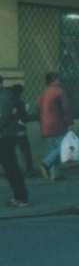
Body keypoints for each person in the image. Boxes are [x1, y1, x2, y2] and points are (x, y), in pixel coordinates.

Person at [37, 71, 74, 181]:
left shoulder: (42, 94)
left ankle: (56, 174)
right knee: (61, 148)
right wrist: (69, 122)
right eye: (57, 78)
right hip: (58, 124)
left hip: (46, 126)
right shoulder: (59, 92)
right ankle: (46, 163)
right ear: (55, 80)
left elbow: (38, 110)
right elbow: (65, 109)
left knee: (53, 148)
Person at [0, 75, 30, 207]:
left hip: (5, 138)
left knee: (11, 169)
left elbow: (3, 120)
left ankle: (22, 198)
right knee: (11, 168)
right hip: (5, 137)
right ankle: (20, 196)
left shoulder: (4, 99)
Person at [8, 84, 37, 178]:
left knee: (9, 152)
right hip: (20, 131)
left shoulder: (6, 101)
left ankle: (12, 171)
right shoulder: (20, 102)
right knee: (25, 150)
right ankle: (29, 170)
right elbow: (24, 117)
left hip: (9, 131)